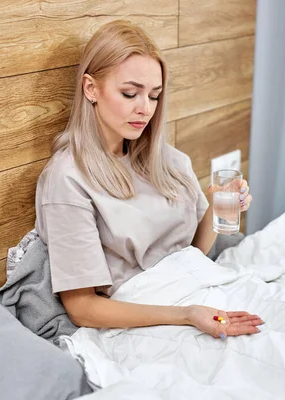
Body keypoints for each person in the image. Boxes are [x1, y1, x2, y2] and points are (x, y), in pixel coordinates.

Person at [34, 20, 261, 341]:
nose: (145, 109)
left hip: (201, 291)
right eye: (130, 93)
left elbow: (193, 252)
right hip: (149, 317)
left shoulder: (167, 160)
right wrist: (185, 315)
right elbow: (82, 307)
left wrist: (217, 208)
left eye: (154, 96)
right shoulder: (68, 178)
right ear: (90, 89)